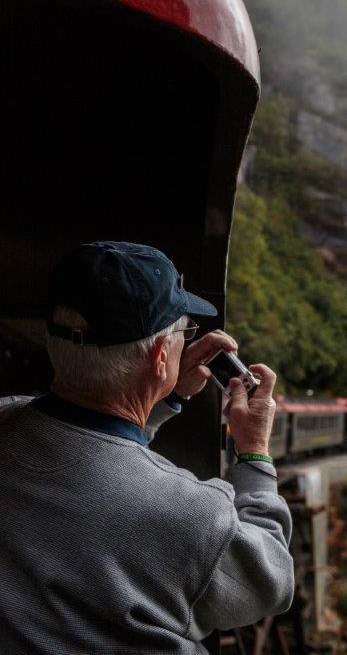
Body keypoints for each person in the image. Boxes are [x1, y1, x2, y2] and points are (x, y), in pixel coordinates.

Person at [0, 241, 294, 653]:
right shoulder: (192, 516)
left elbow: (92, 453)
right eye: (183, 332)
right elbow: (270, 582)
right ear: (160, 355)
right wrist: (255, 452)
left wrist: (162, 397)